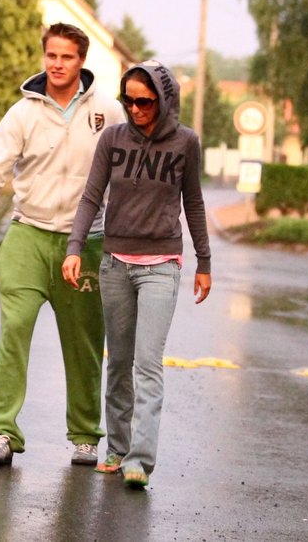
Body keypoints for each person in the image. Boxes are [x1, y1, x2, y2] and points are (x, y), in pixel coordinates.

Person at [0, 22, 126, 467]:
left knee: (85, 340)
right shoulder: (22, 113)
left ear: (81, 60)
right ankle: (1, 433)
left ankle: (86, 436)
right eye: (51, 55)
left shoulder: (107, 111)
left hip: (86, 242)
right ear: (44, 56)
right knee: (14, 331)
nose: (58, 64)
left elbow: (128, 174)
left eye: (67, 56)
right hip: (28, 234)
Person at [61, 60, 212, 489]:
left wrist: (204, 262)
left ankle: (140, 461)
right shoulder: (112, 138)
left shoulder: (186, 143)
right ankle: (117, 448)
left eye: (144, 101)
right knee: (119, 362)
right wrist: (75, 249)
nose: (135, 108)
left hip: (162, 265)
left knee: (147, 364)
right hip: (114, 263)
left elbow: (195, 204)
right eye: (128, 100)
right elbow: (91, 197)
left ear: (164, 100)